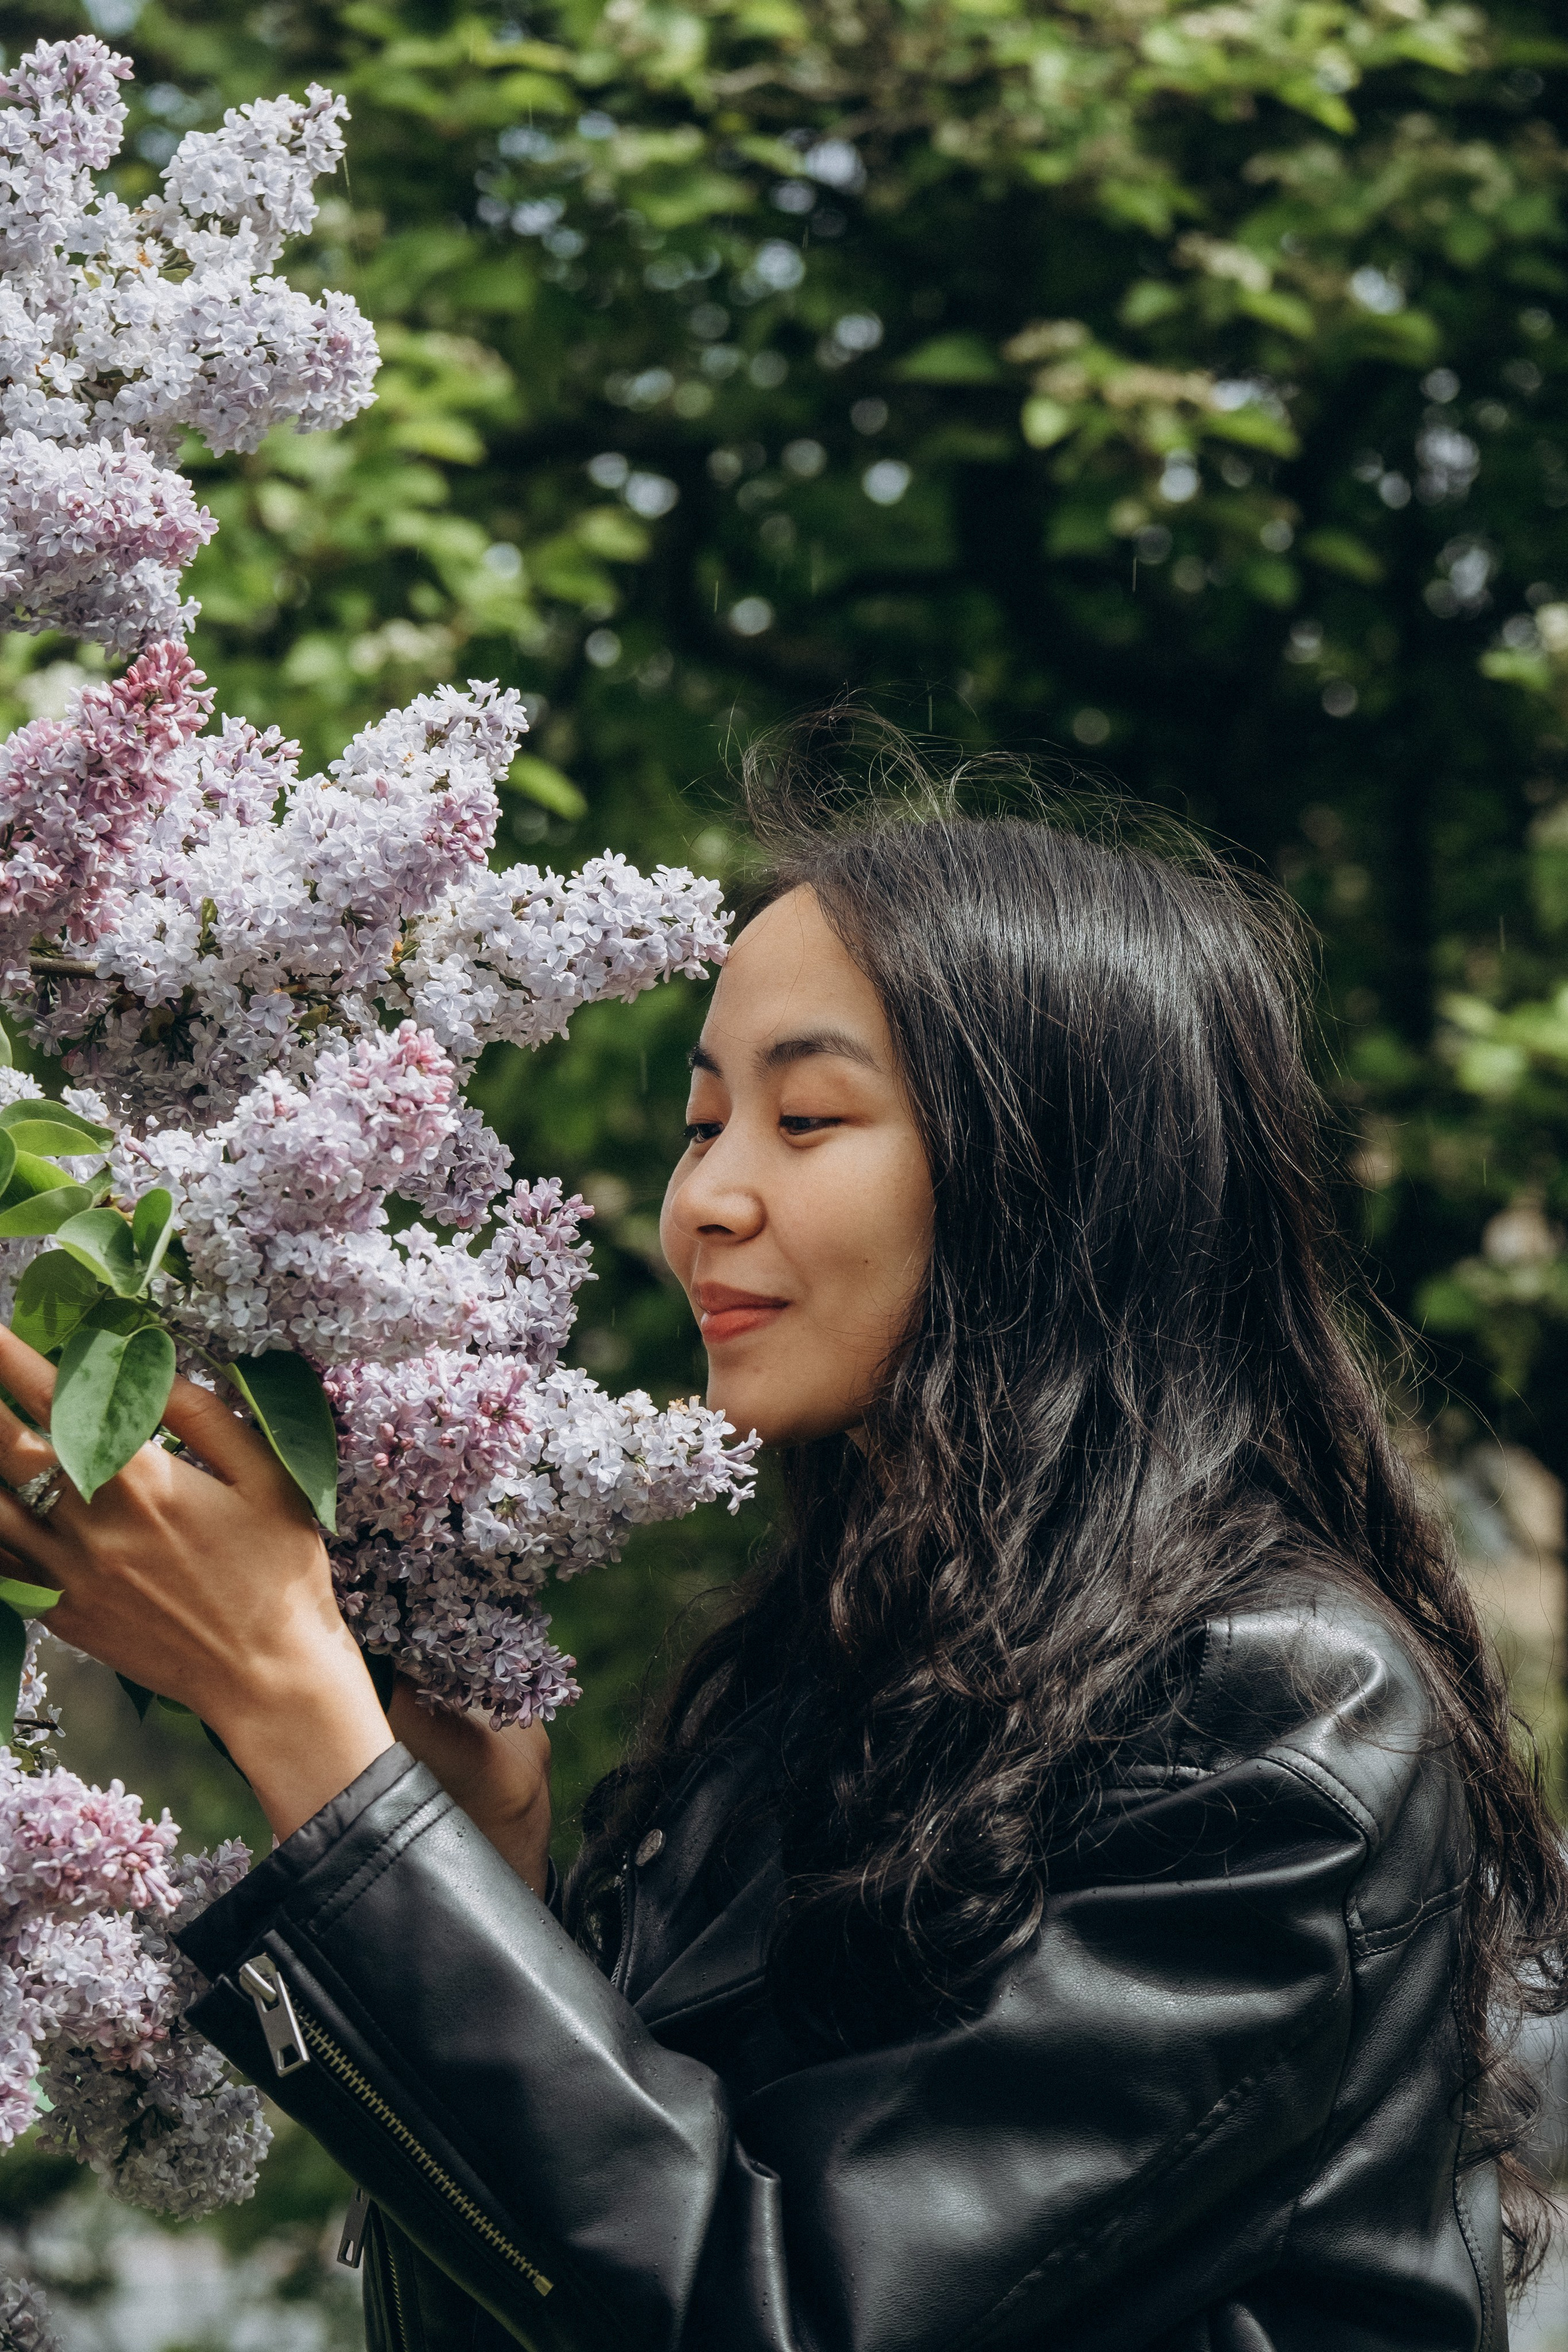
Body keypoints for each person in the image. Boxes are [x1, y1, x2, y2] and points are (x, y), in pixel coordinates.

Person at [0, 755, 1564, 2352]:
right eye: (702, 1121)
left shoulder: (1275, 1709)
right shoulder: (811, 1694)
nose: (703, 1204)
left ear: (1055, 1177)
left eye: (806, 1118)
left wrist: (294, 1712)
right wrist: (486, 1874)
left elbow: (787, 2316)